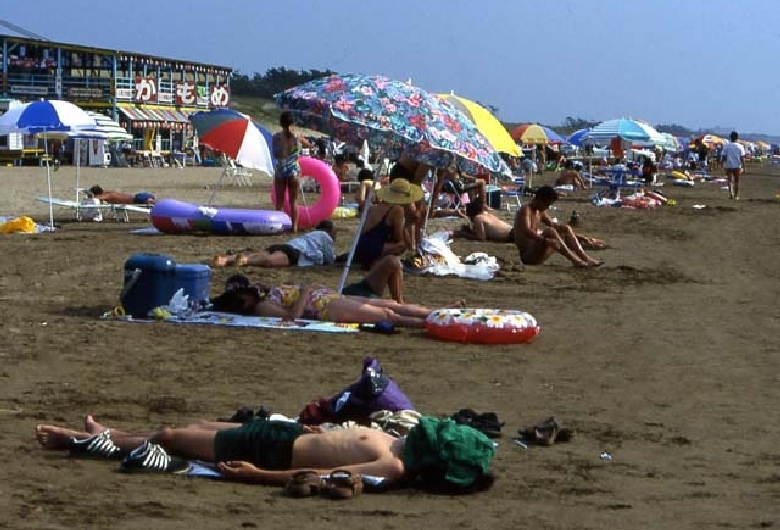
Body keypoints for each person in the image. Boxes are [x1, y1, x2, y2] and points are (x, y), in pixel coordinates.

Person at [35, 414, 495, 492]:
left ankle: (80, 440)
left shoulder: (392, 466)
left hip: (275, 452)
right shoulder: (397, 446)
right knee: (192, 427)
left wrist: (255, 475)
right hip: (285, 432)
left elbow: (330, 474)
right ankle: (108, 433)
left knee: (173, 435)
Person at [210, 279, 464, 327]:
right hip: (322, 308)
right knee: (386, 314)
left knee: (389, 303)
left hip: (328, 297)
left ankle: (438, 311)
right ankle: (433, 322)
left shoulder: (262, 296)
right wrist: (306, 290)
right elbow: (294, 318)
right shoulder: (261, 308)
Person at [513, 186, 603, 268]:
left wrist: (578, 236)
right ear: (539, 199)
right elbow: (527, 231)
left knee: (565, 228)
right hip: (528, 255)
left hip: (538, 251)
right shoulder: (526, 210)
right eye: (546, 204)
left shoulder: (540, 211)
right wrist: (546, 240)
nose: (547, 208)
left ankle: (585, 258)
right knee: (549, 231)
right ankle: (575, 260)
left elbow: (554, 225)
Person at [353, 178, 420, 270]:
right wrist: (407, 226)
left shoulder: (378, 206)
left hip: (361, 246)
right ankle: (376, 262)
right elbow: (398, 237)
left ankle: (375, 260)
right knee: (402, 246)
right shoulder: (397, 209)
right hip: (371, 249)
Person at [213, 221, 336, 268]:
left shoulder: (309, 236)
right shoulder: (324, 236)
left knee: (258, 255)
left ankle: (225, 259)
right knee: (268, 261)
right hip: (294, 253)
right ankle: (245, 260)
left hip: (285, 246)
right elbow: (329, 259)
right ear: (328, 230)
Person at [272, 111, 313, 233]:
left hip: (281, 170)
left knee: (279, 201)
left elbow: (275, 154)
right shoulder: (297, 136)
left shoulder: (276, 137)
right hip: (293, 170)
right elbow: (309, 146)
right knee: (293, 200)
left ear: (280, 123)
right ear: (292, 122)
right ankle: (294, 226)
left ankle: (278, 226)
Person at [721, 131, 746, 200]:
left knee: (729, 181)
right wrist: (744, 167)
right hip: (737, 166)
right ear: (737, 138)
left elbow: (723, 157)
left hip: (729, 166)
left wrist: (722, 165)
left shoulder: (727, 146)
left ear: (730, 137)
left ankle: (730, 194)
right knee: (736, 181)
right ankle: (736, 196)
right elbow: (742, 158)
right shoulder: (740, 146)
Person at [88, 186, 155, 205]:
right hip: (137, 196)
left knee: (151, 202)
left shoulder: (106, 196)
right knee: (154, 202)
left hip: (136, 200)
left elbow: (96, 198)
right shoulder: (111, 192)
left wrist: (90, 194)